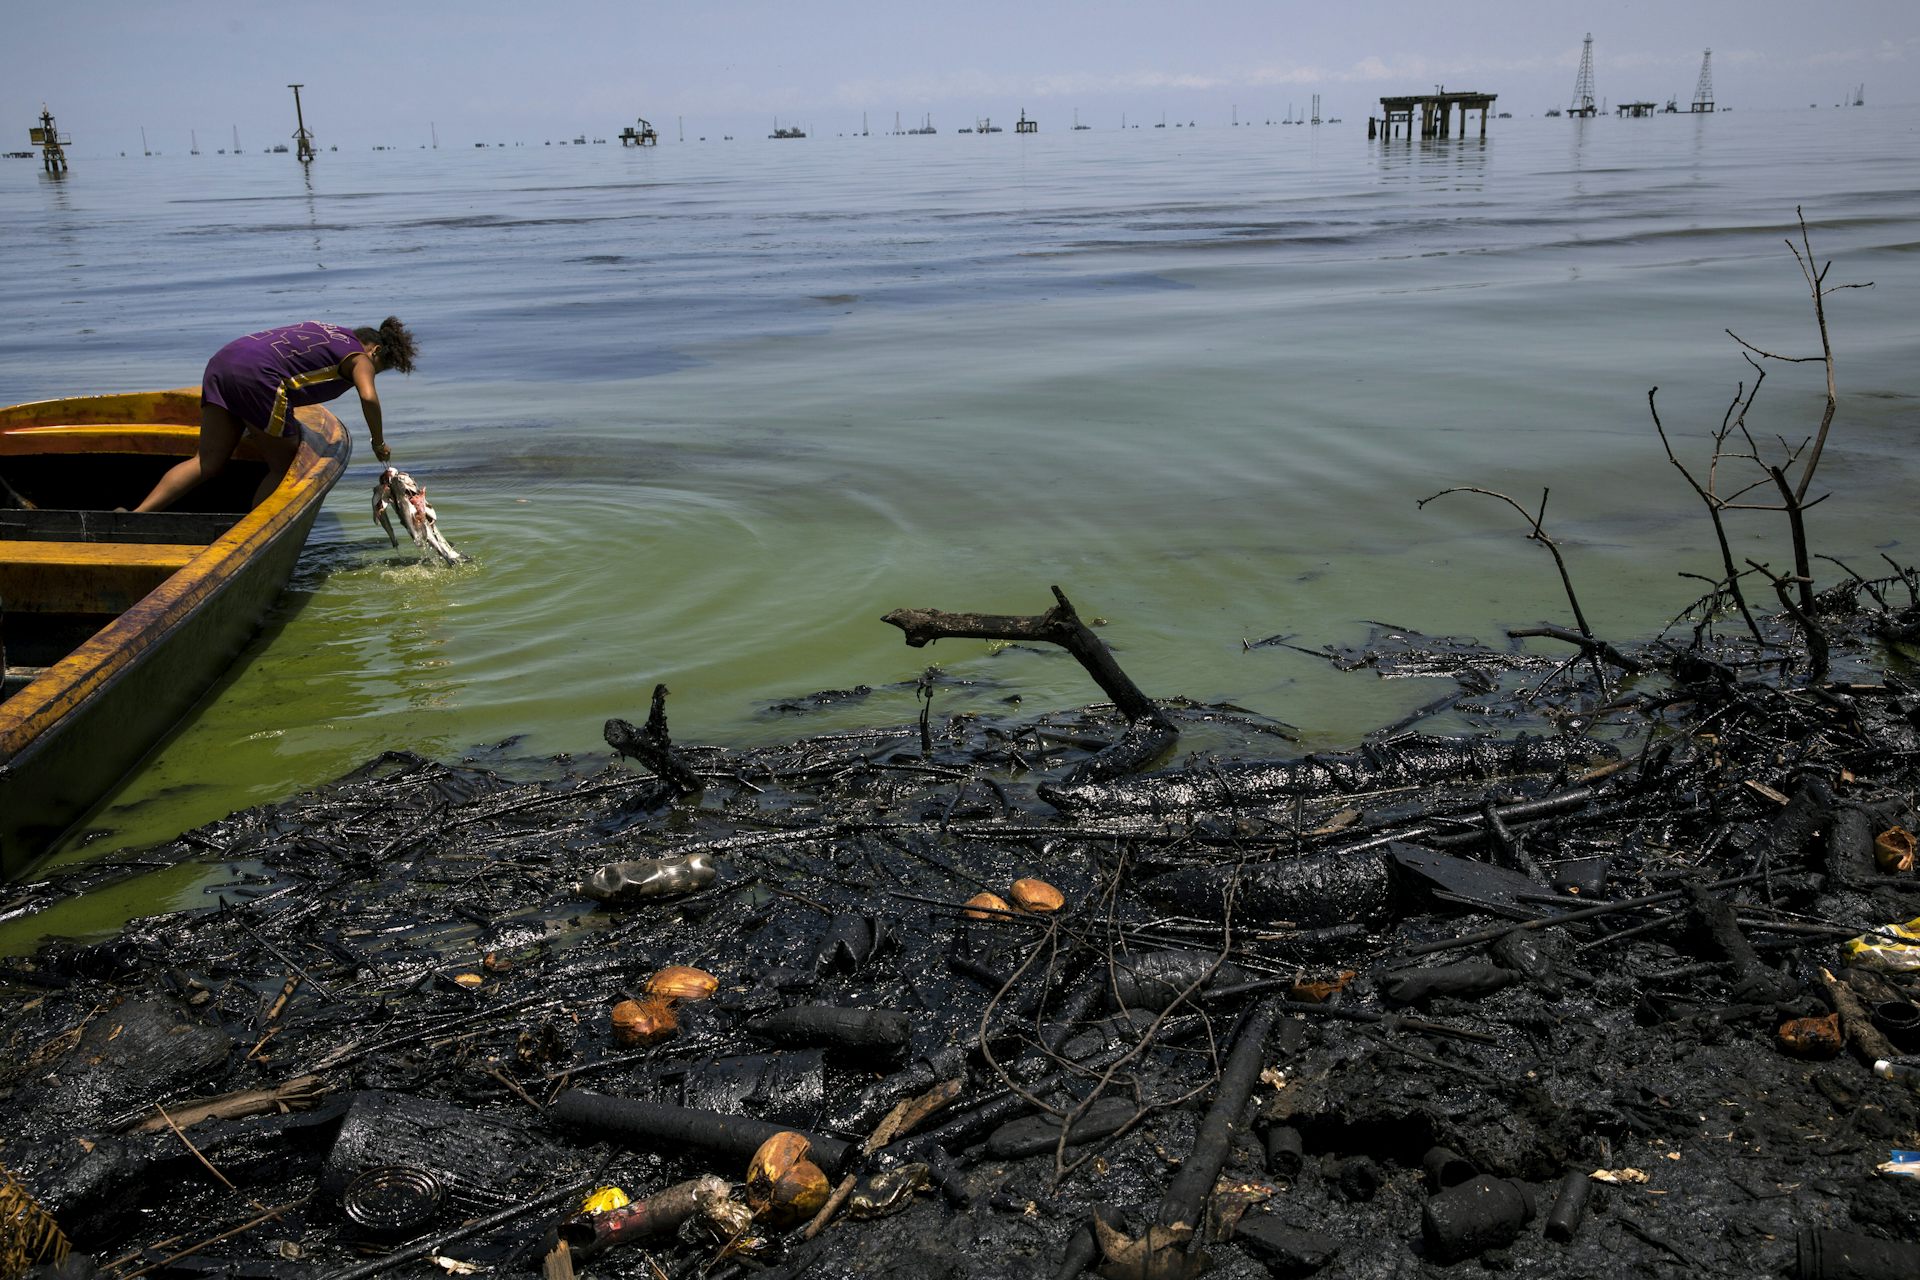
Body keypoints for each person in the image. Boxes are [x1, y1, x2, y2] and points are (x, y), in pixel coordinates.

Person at [134, 317, 417, 512]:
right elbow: (368, 396)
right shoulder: (360, 357)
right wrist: (378, 442)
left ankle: (137, 513)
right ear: (375, 350)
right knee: (286, 467)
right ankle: (250, 538)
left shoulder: (331, 330)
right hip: (259, 379)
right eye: (378, 368)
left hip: (223, 362)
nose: (370, 374)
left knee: (207, 463)